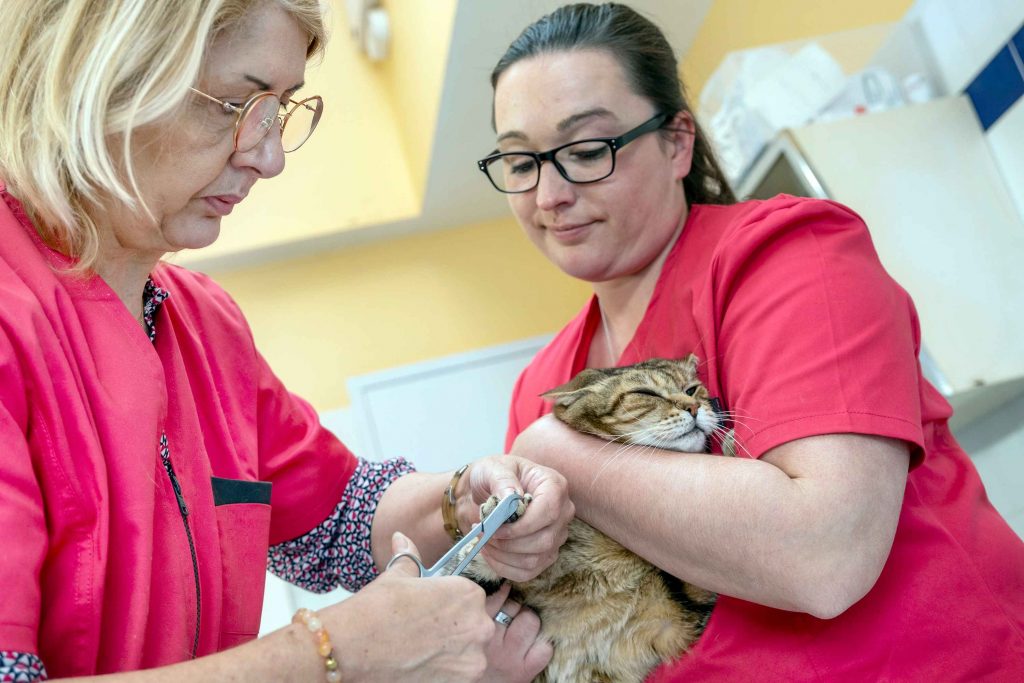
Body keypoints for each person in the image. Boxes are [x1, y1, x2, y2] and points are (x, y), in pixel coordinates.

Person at [0, 1, 574, 681]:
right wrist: (336, 653)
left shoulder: (207, 326)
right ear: (100, 74)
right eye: (234, 105)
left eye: (280, 111)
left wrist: (462, 501)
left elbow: (337, 516)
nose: (268, 157)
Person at [476, 3, 1024, 680]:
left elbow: (825, 555)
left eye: (587, 151)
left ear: (677, 143)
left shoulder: (788, 254)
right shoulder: (541, 386)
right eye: (519, 162)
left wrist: (559, 452)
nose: (548, 194)